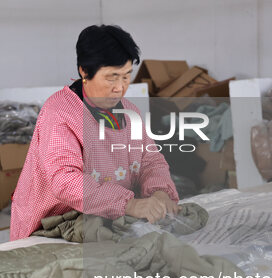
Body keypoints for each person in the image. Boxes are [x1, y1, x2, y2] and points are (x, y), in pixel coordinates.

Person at [10, 25, 178, 241]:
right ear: (84, 71)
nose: (120, 87)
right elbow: (66, 180)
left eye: (126, 76)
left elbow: (150, 160)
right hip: (52, 224)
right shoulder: (60, 112)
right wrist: (130, 204)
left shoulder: (129, 112)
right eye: (111, 77)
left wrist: (160, 192)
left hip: (105, 216)